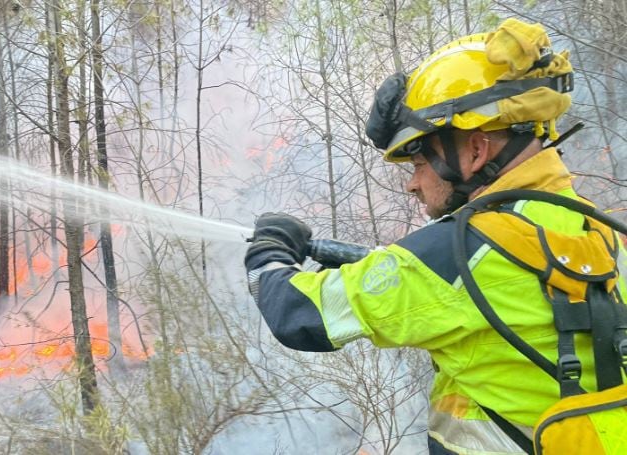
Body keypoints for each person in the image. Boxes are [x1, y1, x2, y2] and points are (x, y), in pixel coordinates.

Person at [244, 18, 627, 455]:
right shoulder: (599, 231)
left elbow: (299, 315)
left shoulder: (455, 254)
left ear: (476, 150)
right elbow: (494, 293)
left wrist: (269, 251)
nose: (412, 183)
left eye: (419, 162)